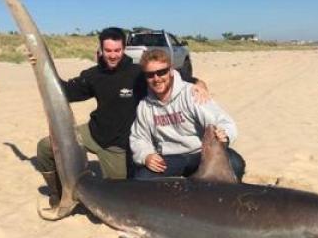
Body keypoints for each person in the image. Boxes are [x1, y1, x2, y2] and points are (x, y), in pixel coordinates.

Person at [35, 27, 208, 211]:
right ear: (101, 50)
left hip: (118, 146)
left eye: (117, 50)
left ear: (123, 49)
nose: (112, 55)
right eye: (108, 50)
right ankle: (57, 192)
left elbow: (176, 80)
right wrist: (40, 66)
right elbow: (63, 92)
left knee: (117, 200)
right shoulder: (92, 75)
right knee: (45, 147)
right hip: (93, 133)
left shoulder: (138, 74)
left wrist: (199, 84)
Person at [130, 49, 245, 181]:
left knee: (235, 163)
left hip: (200, 154)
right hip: (171, 158)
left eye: (161, 72)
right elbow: (139, 138)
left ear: (171, 70)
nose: (156, 78)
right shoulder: (145, 106)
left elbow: (223, 120)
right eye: (150, 75)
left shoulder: (192, 94)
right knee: (142, 177)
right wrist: (146, 155)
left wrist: (225, 134)